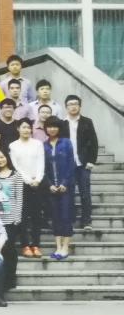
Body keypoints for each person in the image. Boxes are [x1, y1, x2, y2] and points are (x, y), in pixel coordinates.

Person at [9, 120, 46, 258]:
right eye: (23, 127)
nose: (26, 130)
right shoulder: (13, 145)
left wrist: (38, 179)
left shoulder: (38, 144)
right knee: (23, 215)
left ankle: (35, 244)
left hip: (37, 183)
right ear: (18, 129)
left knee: (37, 216)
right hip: (21, 183)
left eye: (28, 127)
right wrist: (28, 180)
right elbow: (15, 166)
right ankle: (25, 245)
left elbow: (41, 163)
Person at [64, 95, 98, 231]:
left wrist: (91, 161)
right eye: (70, 104)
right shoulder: (62, 123)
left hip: (83, 163)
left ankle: (86, 221)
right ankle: (70, 220)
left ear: (80, 106)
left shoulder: (87, 122)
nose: (73, 106)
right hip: (68, 164)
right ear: (66, 107)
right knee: (69, 193)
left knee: (85, 193)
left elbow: (94, 142)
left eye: (75, 104)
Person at [0, 149, 22, 293]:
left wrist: (17, 216)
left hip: (11, 218)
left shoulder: (16, 175)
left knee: (9, 249)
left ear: (7, 157)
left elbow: (19, 197)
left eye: (2, 157)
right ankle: (0, 279)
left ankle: (10, 279)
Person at [44, 119, 75, 260]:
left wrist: (65, 183)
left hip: (65, 188)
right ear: (46, 128)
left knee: (66, 216)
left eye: (55, 126)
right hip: (51, 188)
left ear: (59, 128)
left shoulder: (66, 143)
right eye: (49, 126)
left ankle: (65, 247)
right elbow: (42, 168)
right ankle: (58, 247)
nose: (52, 129)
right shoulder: (44, 145)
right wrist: (49, 184)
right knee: (55, 217)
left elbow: (71, 164)